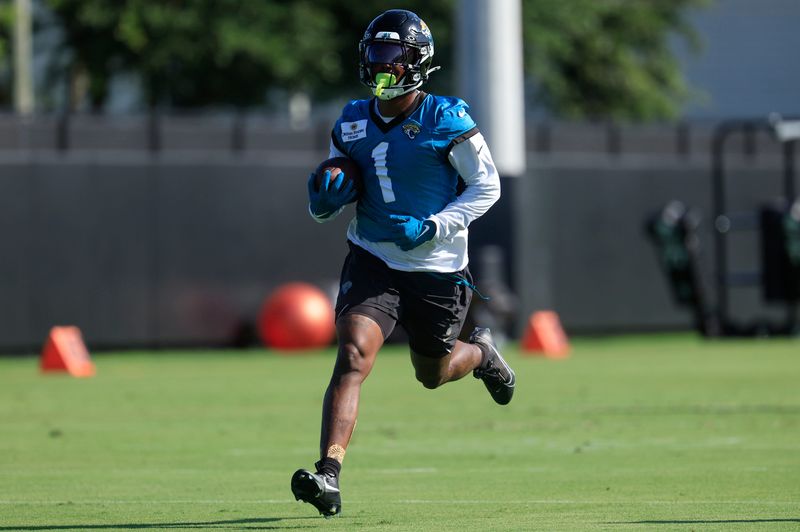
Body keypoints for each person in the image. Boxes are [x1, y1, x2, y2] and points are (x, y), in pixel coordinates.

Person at [290, 9, 516, 518]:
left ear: (419, 62)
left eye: (394, 57)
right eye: (376, 57)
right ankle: (328, 474)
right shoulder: (350, 119)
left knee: (432, 373)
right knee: (352, 356)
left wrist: (436, 225)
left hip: (435, 267)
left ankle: (481, 354)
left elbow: (488, 186)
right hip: (373, 256)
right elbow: (333, 188)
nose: (383, 69)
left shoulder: (447, 117)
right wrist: (322, 203)